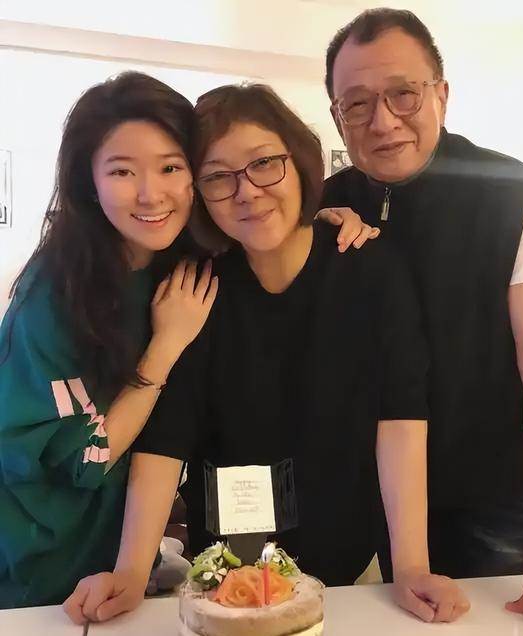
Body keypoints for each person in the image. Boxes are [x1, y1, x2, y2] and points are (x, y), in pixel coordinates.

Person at [63, 83, 469, 626]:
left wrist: (413, 566)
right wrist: (131, 572)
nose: (247, 192)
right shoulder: (195, 287)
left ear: (298, 162)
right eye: (218, 177)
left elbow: (400, 418)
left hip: (348, 565)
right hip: (226, 571)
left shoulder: (371, 270)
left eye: (264, 164)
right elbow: (166, 440)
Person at [321, 8, 523, 636]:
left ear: (441, 94)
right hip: (370, 492)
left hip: (492, 493)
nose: (383, 121)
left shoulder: (507, 190)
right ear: (337, 115)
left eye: (403, 94)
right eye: (357, 104)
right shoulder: (327, 201)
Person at [0, 72, 218, 608]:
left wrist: (321, 221)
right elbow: (86, 457)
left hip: (127, 549)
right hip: (43, 554)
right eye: (122, 171)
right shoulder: (55, 293)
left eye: (171, 167)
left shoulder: (183, 262)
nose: (151, 194)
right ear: (88, 182)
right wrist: (165, 347)